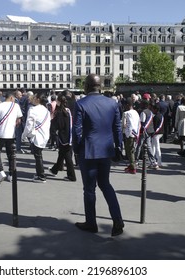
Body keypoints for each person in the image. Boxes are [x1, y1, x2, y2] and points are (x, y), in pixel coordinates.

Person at [73, 74, 124, 237]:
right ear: (100, 86)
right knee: (105, 184)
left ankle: (91, 223)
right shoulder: (112, 103)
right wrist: (119, 148)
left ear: (86, 86)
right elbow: (117, 128)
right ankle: (117, 220)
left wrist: (76, 149)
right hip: (106, 149)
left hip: (88, 151)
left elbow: (77, 130)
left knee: (89, 189)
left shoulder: (80, 103)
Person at [0, 91, 23, 184]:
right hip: (11, 134)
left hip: (0, 134)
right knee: (11, 154)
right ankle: (11, 174)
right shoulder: (16, 106)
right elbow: (19, 120)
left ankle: (1, 171)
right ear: (11, 98)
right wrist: (14, 124)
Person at [22, 92, 51, 183]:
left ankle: (41, 176)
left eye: (34, 97)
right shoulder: (46, 110)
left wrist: (24, 135)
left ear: (38, 99)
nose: (33, 99)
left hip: (37, 136)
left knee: (38, 156)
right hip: (45, 135)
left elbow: (28, 125)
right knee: (39, 156)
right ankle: (39, 174)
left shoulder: (33, 110)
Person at [48, 92, 76, 181]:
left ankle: (72, 176)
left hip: (64, 137)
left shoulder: (60, 112)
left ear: (59, 102)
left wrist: (53, 123)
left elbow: (58, 125)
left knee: (67, 156)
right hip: (69, 135)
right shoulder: (67, 111)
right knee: (62, 154)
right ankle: (55, 169)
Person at [122, 97, 140, 174]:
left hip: (128, 134)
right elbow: (139, 123)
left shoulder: (126, 113)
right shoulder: (136, 112)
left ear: (127, 105)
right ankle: (131, 164)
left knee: (129, 151)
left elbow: (123, 125)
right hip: (135, 133)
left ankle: (133, 167)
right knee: (132, 149)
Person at [151, 103, 164, 167]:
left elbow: (155, 127)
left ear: (156, 109)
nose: (152, 110)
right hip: (160, 133)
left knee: (156, 147)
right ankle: (153, 161)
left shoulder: (156, 117)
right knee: (153, 146)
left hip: (156, 133)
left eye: (153, 109)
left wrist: (153, 133)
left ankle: (159, 161)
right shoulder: (161, 115)